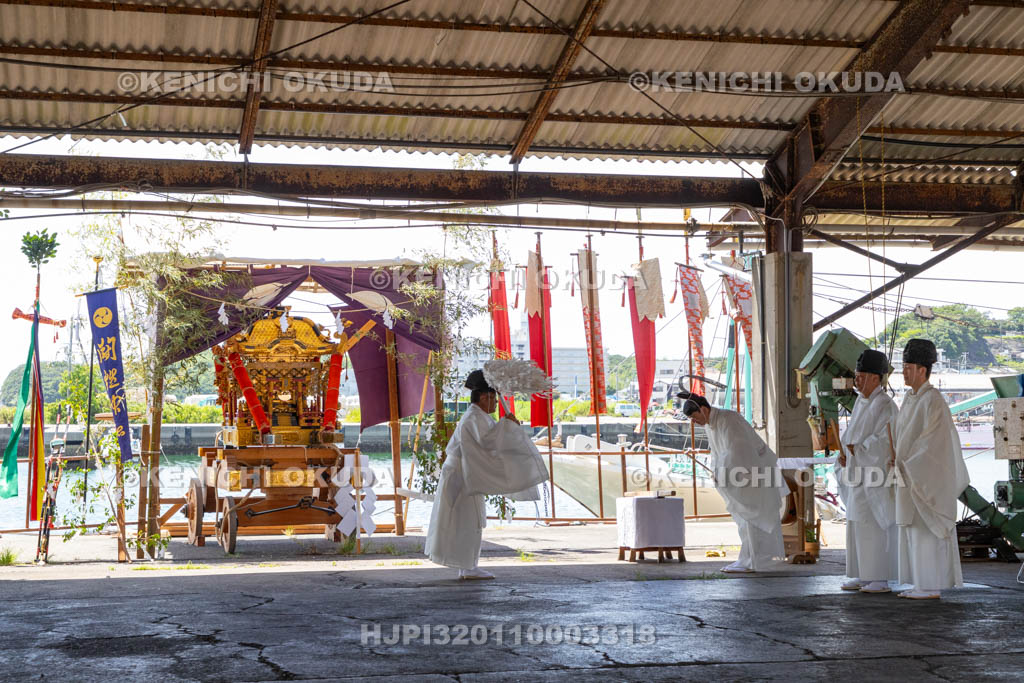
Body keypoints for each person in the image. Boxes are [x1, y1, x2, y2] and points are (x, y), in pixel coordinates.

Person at [425, 369, 549, 580]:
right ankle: (467, 566)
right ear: (484, 397)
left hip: (463, 473)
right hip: (460, 474)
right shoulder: (475, 416)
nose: (494, 404)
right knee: (465, 521)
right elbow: (490, 442)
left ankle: (467, 565)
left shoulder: (478, 416)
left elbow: (492, 440)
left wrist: (507, 426)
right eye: (492, 399)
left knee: (468, 520)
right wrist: (508, 426)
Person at [893, 339, 970, 600]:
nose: (903, 372)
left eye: (908, 367)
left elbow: (934, 442)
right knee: (914, 529)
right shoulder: (911, 399)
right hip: (908, 473)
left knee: (927, 529)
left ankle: (930, 586)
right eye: (903, 367)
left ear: (922, 370)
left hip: (921, 474)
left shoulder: (933, 400)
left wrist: (910, 463)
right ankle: (920, 583)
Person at [679, 391, 787, 573]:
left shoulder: (729, 419)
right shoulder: (711, 424)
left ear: (704, 409)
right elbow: (717, 453)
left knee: (754, 517)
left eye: (694, 417)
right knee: (745, 521)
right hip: (743, 475)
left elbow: (738, 451)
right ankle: (748, 560)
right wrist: (717, 471)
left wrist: (723, 471)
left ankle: (758, 561)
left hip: (755, 473)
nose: (693, 422)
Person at [836, 349, 900, 594]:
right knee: (857, 524)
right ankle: (862, 574)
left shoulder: (885, 405)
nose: (857, 381)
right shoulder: (863, 402)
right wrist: (845, 453)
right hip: (858, 475)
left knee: (872, 526)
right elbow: (851, 436)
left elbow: (886, 441)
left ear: (876, 378)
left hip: (875, 477)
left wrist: (859, 450)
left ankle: (879, 578)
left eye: (861, 376)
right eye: (856, 376)